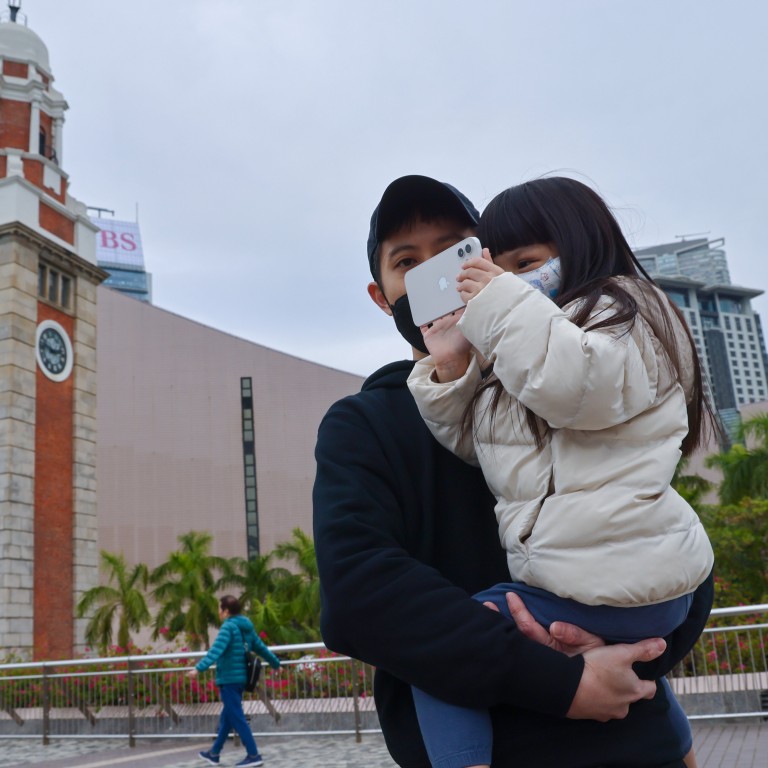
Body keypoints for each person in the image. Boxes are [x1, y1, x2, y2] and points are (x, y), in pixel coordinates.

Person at [313, 173, 714, 768]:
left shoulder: (573, 378)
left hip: (635, 741)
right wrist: (563, 683)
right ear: (382, 295)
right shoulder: (362, 425)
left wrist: (638, 652)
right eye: (408, 263)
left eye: (456, 251)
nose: (439, 277)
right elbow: (361, 599)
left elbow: (661, 538)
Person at [188, 595, 281, 768]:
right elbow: (261, 647)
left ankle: (253, 755)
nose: (219, 611)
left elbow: (215, 650)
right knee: (228, 717)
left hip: (229, 679)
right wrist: (276, 663)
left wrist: (198, 669)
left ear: (226, 611)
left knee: (236, 717)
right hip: (240, 679)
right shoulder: (246, 627)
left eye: (220, 608)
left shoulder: (228, 627)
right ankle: (214, 754)